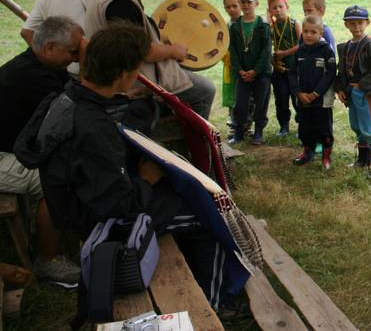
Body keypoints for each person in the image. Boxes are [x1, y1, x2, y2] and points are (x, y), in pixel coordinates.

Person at [14, 22, 242, 312]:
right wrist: (146, 179)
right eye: (136, 70)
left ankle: (200, 274)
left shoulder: (69, 96)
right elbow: (119, 205)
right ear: (124, 74)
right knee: (209, 214)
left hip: (80, 200)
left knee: (186, 192)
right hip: (101, 219)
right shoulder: (93, 130)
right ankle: (216, 301)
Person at [85, 0, 215, 119]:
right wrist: (173, 50)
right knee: (205, 91)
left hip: (122, 74)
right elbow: (141, 51)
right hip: (132, 81)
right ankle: (191, 138)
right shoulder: (119, 0)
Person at [0, 16, 84, 283]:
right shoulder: (30, 76)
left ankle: (53, 228)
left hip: (11, 148)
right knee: (56, 179)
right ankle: (48, 261)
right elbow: (72, 114)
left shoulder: (43, 65)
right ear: (49, 47)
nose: (76, 58)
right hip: (2, 157)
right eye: (74, 51)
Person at [20, 0, 97, 76]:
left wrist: (48, 62)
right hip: (88, 70)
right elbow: (101, 17)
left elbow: (26, 32)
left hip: (61, 71)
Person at [335, 5, 371, 178]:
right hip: (351, 92)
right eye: (352, 23)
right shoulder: (346, 46)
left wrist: (362, 85)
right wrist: (340, 88)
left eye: (360, 22)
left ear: (367, 23)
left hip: (367, 92)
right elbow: (341, 70)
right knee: (357, 126)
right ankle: (364, 159)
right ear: (346, 25)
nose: (356, 26)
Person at [289, 16, 337, 169]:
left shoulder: (326, 51)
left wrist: (316, 93)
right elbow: (292, 73)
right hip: (303, 99)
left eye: (313, 32)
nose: (308, 35)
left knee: (324, 129)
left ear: (321, 33)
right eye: (305, 31)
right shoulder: (299, 51)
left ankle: (326, 156)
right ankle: (307, 152)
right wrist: (298, 93)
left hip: (321, 100)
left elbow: (330, 74)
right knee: (305, 128)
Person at [228, 0, 272, 145]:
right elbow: (232, 50)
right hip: (242, 73)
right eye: (243, 2)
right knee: (240, 105)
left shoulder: (263, 26)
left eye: (249, 2)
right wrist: (240, 69)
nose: (246, 5)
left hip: (261, 73)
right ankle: (238, 132)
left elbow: (266, 51)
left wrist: (255, 70)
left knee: (261, 103)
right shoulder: (235, 27)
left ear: (256, 3)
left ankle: (258, 132)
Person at [268, 0, 301, 137]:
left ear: (287, 6)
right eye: (274, 8)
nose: (278, 10)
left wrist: (284, 53)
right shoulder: (270, 27)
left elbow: (302, 45)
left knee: (297, 99)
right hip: (279, 70)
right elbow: (268, 49)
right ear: (270, 11)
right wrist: (274, 63)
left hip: (295, 68)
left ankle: (302, 124)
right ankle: (284, 125)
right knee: (281, 98)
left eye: (281, 6)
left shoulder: (295, 24)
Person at [220, 0, 250, 138]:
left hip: (247, 68)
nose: (231, 9)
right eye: (228, 7)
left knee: (248, 98)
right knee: (234, 97)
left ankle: (247, 126)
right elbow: (221, 48)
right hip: (232, 69)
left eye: (234, 6)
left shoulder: (248, 24)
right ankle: (234, 126)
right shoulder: (225, 27)